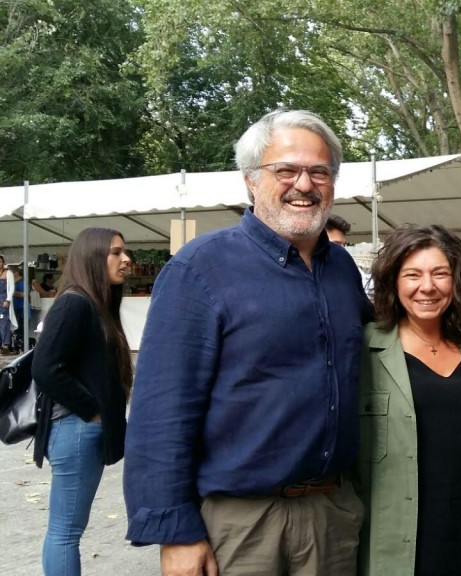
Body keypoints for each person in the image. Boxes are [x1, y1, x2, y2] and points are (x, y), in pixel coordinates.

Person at [124, 109, 371, 576]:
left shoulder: (342, 271)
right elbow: (161, 411)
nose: (305, 184)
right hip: (242, 523)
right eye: (286, 170)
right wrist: (176, 531)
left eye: (319, 172)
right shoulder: (200, 269)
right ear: (250, 181)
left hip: (333, 515)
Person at [358, 224, 461, 575]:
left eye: (440, 273)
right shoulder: (364, 349)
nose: (427, 287)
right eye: (413, 274)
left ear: (457, 280)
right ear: (393, 281)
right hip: (397, 538)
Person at [31, 228, 134, 576]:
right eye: (116, 253)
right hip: (75, 430)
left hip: (81, 430)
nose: (126, 260)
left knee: (67, 530)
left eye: (125, 252)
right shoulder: (74, 303)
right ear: (93, 257)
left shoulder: (93, 303)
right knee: (65, 532)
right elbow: (45, 368)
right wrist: (93, 412)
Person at [326, 214, 373, 296]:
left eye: (343, 245)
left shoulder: (351, 271)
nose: (342, 249)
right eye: (335, 244)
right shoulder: (300, 275)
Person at [0, 255, 12, 354]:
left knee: (4, 322)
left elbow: (11, 288)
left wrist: (8, 300)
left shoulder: (8, 273)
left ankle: (5, 345)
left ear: (3, 262)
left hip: (3, 299)